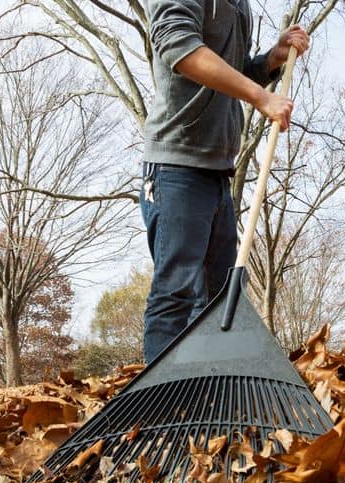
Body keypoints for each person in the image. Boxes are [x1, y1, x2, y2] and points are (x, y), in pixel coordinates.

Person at [141, 0, 310, 364]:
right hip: (177, 166)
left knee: (218, 300)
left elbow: (234, 71)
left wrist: (272, 59)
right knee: (176, 294)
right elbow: (178, 47)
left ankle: (207, 396)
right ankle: (156, 407)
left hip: (218, 170)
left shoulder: (238, 4)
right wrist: (262, 97)